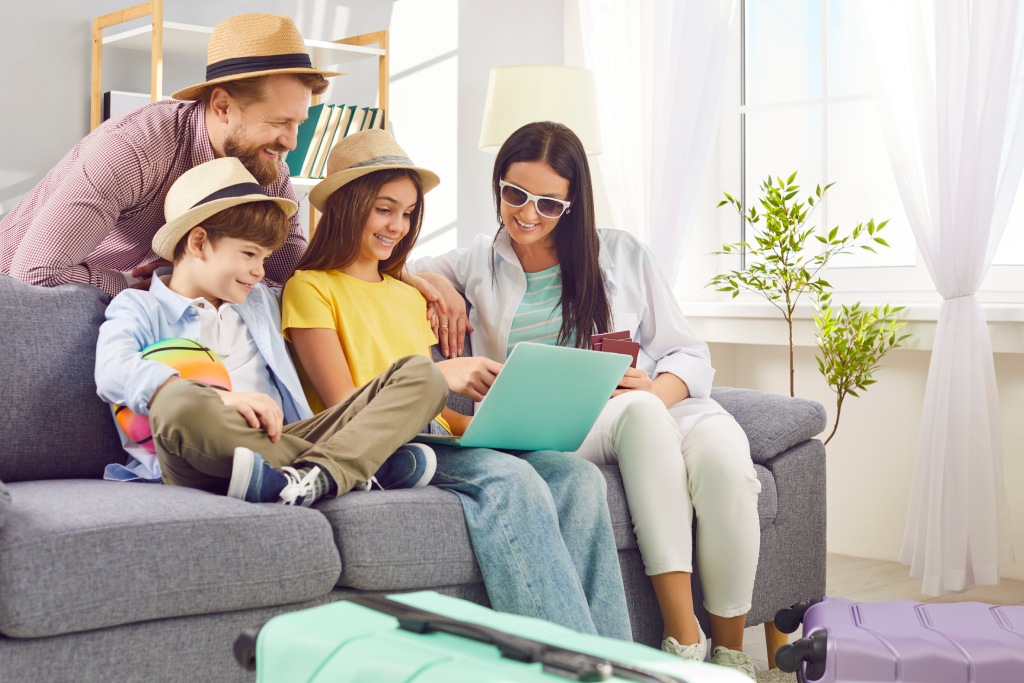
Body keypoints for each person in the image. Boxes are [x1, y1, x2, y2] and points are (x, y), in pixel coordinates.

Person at [410, 121, 762, 679]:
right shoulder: (477, 261)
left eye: (549, 204)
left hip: (662, 397)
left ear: (574, 205)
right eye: (514, 194)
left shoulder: (620, 253)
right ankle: (681, 636)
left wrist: (657, 386)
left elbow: (688, 353)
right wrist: (440, 287)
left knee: (725, 461)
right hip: (580, 421)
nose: (527, 214)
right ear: (498, 185)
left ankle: (730, 653)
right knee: (642, 415)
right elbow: (400, 263)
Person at [279, 129, 633, 640]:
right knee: (512, 481)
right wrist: (439, 377)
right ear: (344, 205)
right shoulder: (310, 289)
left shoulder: (407, 295)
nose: (397, 226)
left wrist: (496, 428)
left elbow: (441, 417)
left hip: (432, 438)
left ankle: (620, 664)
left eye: (406, 213)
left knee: (575, 476)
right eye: (384, 209)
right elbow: (345, 409)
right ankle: (566, 669)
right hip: (377, 445)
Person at [95, 156, 447, 507]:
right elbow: (113, 371)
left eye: (264, 258)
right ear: (198, 243)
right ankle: (353, 465)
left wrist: (417, 279)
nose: (259, 271)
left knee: (423, 375)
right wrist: (221, 399)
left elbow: (347, 281)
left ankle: (311, 475)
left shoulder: (261, 302)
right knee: (177, 400)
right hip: (192, 453)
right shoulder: (138, 307)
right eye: (249, 254)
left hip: (286, 436)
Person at [0, 13, 339, 297]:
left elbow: (293, 283)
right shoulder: (132, 149)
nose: (292, 143)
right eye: (278, 122)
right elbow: (37, 274)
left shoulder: (266, 169)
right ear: (222, 106)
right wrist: (147, 285)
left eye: (298, 123)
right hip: (25, 300)